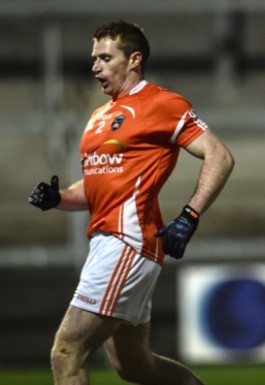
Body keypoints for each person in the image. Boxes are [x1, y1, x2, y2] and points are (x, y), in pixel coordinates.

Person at [28, 21, 234, 385]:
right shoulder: (98, 116)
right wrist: (58, 199)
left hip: (127, 241)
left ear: (134, 59)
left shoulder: (162, 104)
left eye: (105, 58)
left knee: (66, 351)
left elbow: (219, 155)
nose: (95, 67)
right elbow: (96, 189)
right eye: (94, 59)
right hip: (110, 242)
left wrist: (190, 216)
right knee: (135, 366)